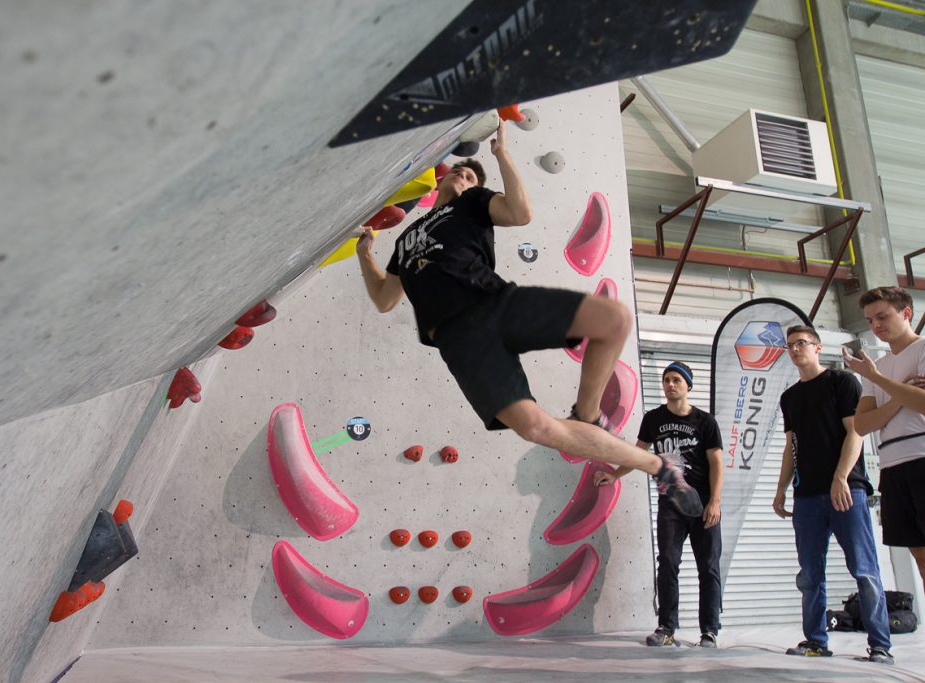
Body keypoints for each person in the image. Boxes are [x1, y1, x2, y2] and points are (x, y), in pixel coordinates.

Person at [355, 119, 702, 517]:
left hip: (498, 304)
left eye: (469, 174)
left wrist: (502, 155)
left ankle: (587, 416)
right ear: (442, 179)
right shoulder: (405, 238)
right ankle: (660, 468)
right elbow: (384, 298)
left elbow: (520, 213)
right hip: (460, 341)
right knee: (534, 428)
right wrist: (366, 255)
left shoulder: (472, 204)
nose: (463, 175)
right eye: (458, 170)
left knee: (615, 321)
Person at [773, 324, 893, 664]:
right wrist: (782, 488)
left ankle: (880, 645)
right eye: (790, 346)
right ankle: (816, 641)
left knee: (864, 568)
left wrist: (841, 477)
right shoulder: (790, 397)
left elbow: (855, 432)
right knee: (810, 573)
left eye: (801, 343)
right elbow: (790, 446)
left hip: (846, 491)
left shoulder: (842, 382)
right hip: (807, 496)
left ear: (817, 346)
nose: (795, 350)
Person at [595, 362, 723, 648]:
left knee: (709, 566)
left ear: (688, 385)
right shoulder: (653, 419)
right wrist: (615, 474)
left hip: (703, 504)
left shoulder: (705, 421)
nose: (670, 384)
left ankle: (710, 630)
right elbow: (637, 454)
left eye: (677, 380)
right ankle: (666, 627)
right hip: (671, 504)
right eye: (666, 380)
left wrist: (715, 501)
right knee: (667, 563)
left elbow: (717, 463)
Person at [847, 286, 925, 593]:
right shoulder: (875, 369)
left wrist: (880, 379)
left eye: (882, 316)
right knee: (918, 554)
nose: (876, 325)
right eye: (869, 320)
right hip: (892, 465)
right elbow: (863, 424)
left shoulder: (920, 350)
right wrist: (898, 395)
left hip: (922, 456)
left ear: (906, 313)